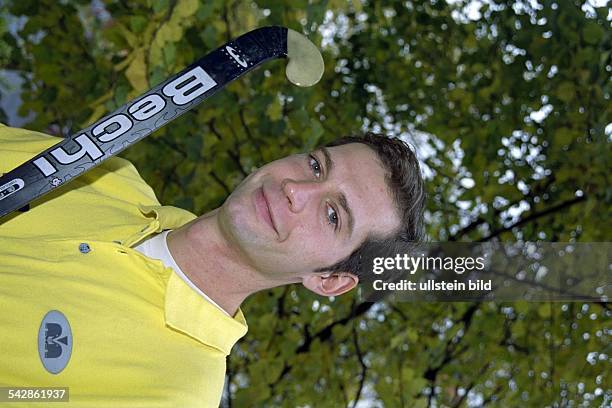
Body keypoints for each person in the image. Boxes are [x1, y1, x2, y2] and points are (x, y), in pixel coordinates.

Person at [0, 123, 425, 407]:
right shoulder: (108, 174)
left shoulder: (175, 393)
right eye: (315, 166)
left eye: (333, 215)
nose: (296, 189)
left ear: (329, 280)